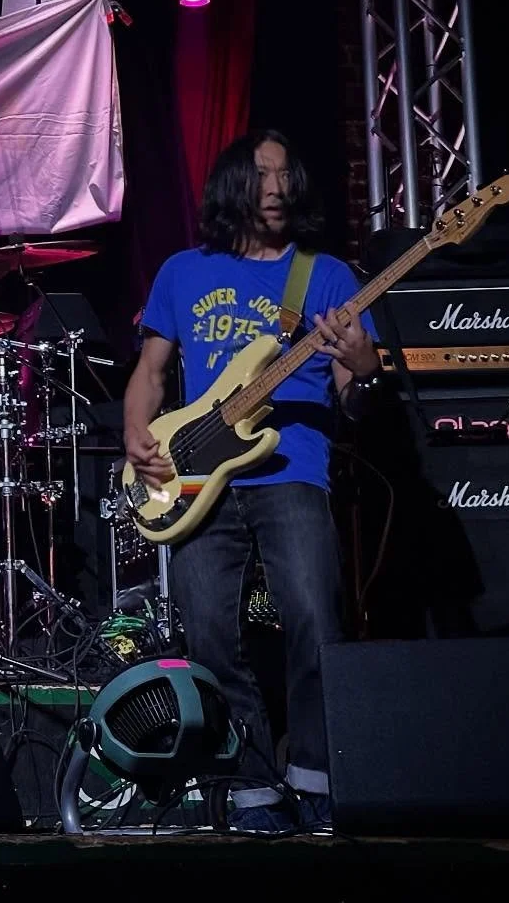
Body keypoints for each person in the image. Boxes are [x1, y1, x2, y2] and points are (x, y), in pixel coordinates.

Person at [123, 130, 382, 834]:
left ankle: (315, 775)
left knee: (314, 620)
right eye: (263, 174)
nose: (278, 187)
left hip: (293, 466)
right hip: (196, 472)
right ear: (232, 184)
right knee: (207, 633)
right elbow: (150, 373)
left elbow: (353, 402)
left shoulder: (325, 276)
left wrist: (362, 365)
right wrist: (136, 436)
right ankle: (252, 786)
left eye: (286, 174)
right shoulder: (183, 271)